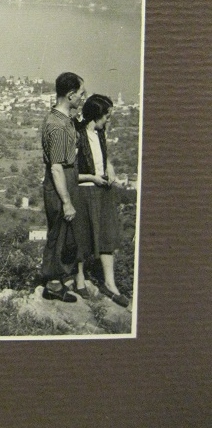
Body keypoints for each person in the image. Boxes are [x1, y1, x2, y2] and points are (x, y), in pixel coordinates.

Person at [72, 94, 130, 307]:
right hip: (83, 192)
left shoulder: (100, 134)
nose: (108, 120)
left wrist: (110, 171)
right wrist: (93, 178)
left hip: (102, 191)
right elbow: (71, 172)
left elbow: (104, 159)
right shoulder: (76, 135)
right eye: (107, 116)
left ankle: (110, 284)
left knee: (107, 235)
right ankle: (79, 280)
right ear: (96, 115)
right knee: (81, 236)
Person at [40, 72, 87, 302]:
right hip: (61, 180)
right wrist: (67, 201)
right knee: (58, 230)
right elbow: (56, 168)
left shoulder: (64, 119)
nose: (82, 97)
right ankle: (52, 284)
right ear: (70, 95)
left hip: (68, 177)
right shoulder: (56, 126)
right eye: (80, 93)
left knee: (65, 231)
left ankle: (56, 280)